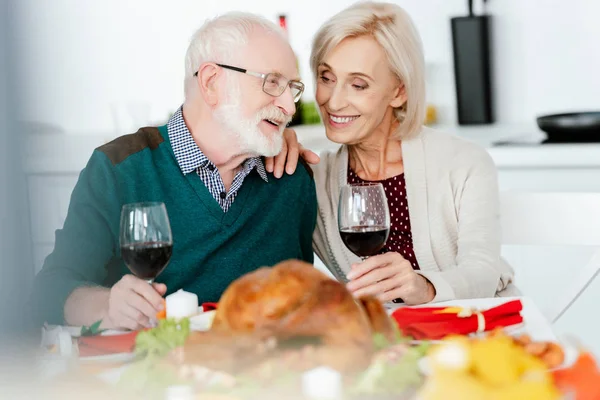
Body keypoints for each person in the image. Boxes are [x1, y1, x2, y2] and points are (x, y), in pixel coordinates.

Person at [30, 12, 319, 330]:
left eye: (291, 88)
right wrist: (108, 306)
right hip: (148, 372)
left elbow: (302, 309)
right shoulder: (119, 170)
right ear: (211, 83)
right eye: (272, 82)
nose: (289, 107)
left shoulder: (291, 179)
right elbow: (51, 289)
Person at [297, 1, 516, 305]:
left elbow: (482, 270)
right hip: (386, 344)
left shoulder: (464, 163)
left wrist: (423, 287)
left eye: (358, 85)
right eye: (326, 77)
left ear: (399, 91)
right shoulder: (312, 177)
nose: (334, 102)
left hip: (477, 333)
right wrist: (270, 140)